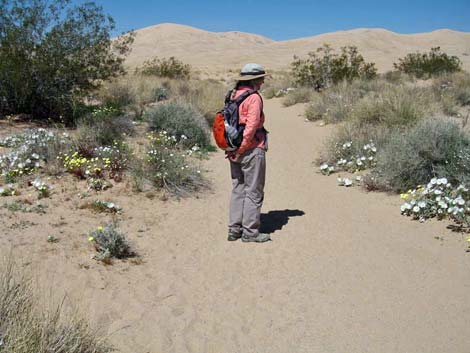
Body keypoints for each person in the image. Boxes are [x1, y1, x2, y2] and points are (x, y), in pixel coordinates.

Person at [227, 63, 270, 243]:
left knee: (238, 189)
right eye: (260, 79)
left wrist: (235, 150)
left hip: (233, 148)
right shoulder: (254, 98)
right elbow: (251, 126)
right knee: (254, 191)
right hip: (251, 149)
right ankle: (250, 232)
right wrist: (243, 148)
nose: (262, 83)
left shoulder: (233, 94)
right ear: (254, 80)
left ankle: (234, 229)